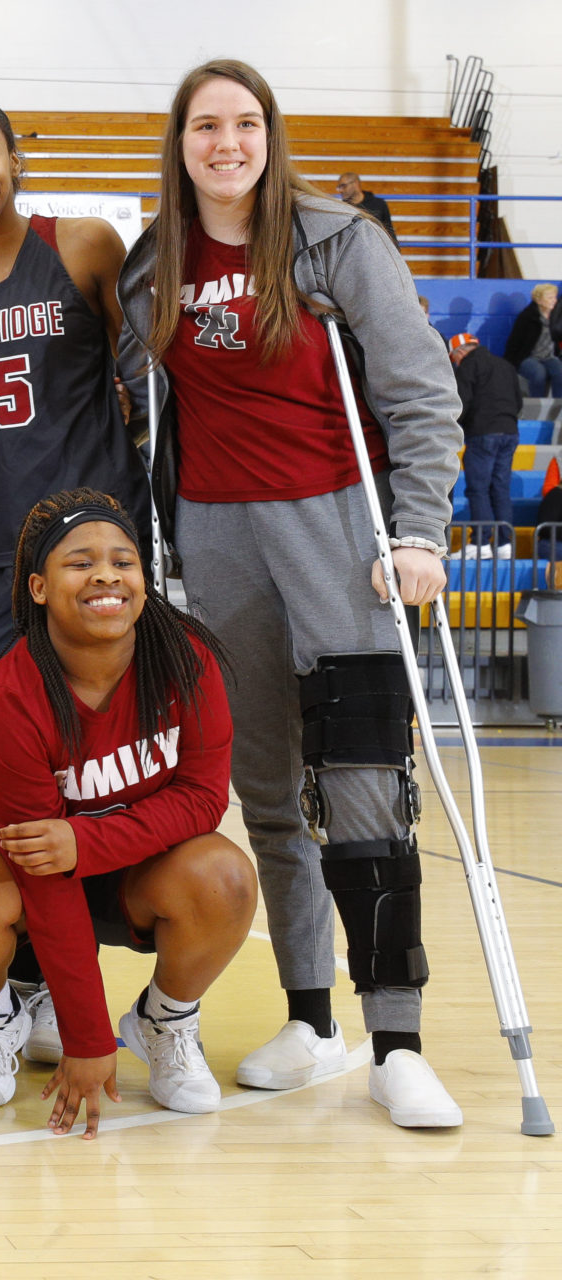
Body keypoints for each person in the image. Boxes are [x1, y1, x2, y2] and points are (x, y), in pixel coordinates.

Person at [119, 59, 465, 1128]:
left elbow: (418, 388)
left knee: (361, 770)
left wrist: (419, 530)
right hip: (216, 539)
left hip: (333, 522)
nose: (226, 143)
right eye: (204, 127)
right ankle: (310, 1016)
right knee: (265, 782)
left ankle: (396, 1035)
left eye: (244, 123)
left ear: (270, 133)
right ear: (178, 144)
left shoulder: (336, 241)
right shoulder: (150, 273)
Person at [0, 489, 256, 1136]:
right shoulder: (6, 700)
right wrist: (87, 1038)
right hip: (18, 866)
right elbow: (44, 873)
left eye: (122, 562)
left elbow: (204, 799)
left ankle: (165, 1019)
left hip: (123, 862)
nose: (106, 574)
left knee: (225, 876)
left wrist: (87, 841)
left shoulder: (187, 663)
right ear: (39, 588)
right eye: (81, 563)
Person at [0, 100, 151, 706]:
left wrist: (130, 418)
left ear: (15, 159)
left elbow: (142, 373)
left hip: (91, 527)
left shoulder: (83, 243)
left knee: (105, 713)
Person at [449, 333, 521, 558]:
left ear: (459, 352)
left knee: (478, 489)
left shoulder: (467, 366)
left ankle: (479, 543)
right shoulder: (505, 366)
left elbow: (462, 402)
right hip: (509, 432)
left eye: (454, 358)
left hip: (482, 434)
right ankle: (503, 544)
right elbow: (518, 401)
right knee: (500, 489)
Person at [505, 283, 562, 397]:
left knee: (560, 373)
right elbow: (514, 342)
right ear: (539, 300)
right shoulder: (527, 317)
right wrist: (510, 364)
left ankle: (558, 407)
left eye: (554, 297)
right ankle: (537, 405)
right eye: (550, 298)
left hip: (549, 357)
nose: (554, 301)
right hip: (529, 357)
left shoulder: (557, 317)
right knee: (538, 374)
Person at [335, 172, 396, 242]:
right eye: (339, 187)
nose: (341, 190)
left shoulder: (379, 204)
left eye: (343, 186)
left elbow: (390, 234)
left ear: (355, 184)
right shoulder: (342, 209)